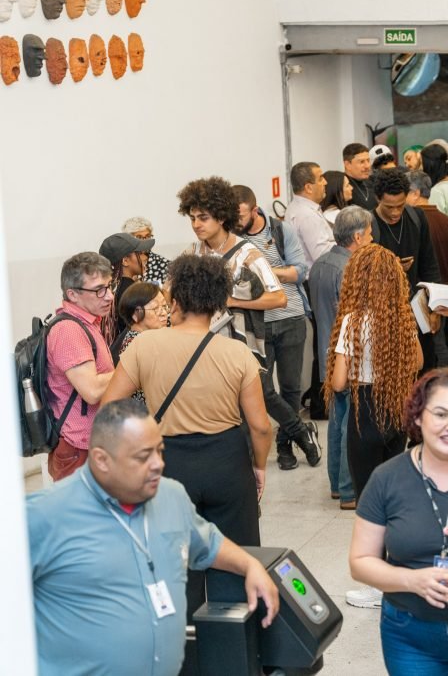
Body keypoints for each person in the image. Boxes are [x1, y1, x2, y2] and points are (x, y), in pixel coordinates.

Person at [27, 399, 280, 676]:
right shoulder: (45, 515)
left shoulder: (170, 495)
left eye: (160, 451)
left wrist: (250, 566)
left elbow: (207, 543)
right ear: (101, 460)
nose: (158, 464)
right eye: (143, 456)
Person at [102, 254, 271, 617]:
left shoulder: (144, 346)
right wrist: (258, 467)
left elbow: (110, 407)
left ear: (176, 299)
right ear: (219, 301)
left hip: (170, 463)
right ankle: (237, 651)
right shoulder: (237, 353)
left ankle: (183, 657)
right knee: (236, 558)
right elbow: (259, 425)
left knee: (176, 566)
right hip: (228, 462)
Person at [348, 368, 448, 674]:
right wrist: (412, 581)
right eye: (441, 414)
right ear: (418, 417)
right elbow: (360, 561)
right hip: (409, 635)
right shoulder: (387, 479)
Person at [178, 175, 319, 470]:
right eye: (192, 218)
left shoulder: (248, 254)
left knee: (262, 400)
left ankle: (291, 438)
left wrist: (233, 302)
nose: (196, 224)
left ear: (221, 216)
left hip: (245, 346)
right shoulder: (194, 254)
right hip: (209, 347)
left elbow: (279, 298)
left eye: (203, 217)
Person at [326, 243, 422, 506]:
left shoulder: (352, 321)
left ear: (356, 279)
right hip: (395, 411)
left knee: (369, 502)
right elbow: (418, 362)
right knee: (392, 496)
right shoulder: (403, 319)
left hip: (364, 416)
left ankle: (372, 548)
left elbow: (337, 383)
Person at [236, 184, 320, 470]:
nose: (236, 222)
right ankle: (301, 430)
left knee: (291, 387)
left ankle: (286, 447)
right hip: (255, 325)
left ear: (255, 209)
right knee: (259, 387)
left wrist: (263, 271)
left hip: (290, 316)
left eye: (241, 214)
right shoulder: (232, 240)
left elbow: (299, 270)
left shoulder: (281, 231)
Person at [310, 206, 374, 509]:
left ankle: (336, 485)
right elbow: (357, 318)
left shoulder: (320, 263)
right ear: (358, 237)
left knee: (336, 424)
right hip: (349, 354)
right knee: (352, 425)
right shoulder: (352, 269)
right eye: (370, 233)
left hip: (327, 350)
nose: (372, 239)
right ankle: (349, 492)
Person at [45, 252, 116, 480]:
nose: (109, 296)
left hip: (90, 446)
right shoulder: (69, 331)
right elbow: (92, 391)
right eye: (99, 290)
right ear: (72, 294)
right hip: (79, 450)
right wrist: (131, 368)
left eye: (109, 286)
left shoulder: (86, 322)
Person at [112, 281, 168, 397]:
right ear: (136, 314)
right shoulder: (138, 344)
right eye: (156, 309)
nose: (164, 313)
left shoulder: (144, 338)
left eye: (164, 306)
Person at [406, 169, 448, 286]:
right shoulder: (446, 220)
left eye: (404, 193)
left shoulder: (411, 221)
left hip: (421, 292)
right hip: (445, 290)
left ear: (415, 194)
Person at [98, 232, 154, 336]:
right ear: (125, 261)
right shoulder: (132, 292)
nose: (145, 257)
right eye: (140, 253)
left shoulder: (108, 289)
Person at [283, 161, 333, 270]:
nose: (325, 182)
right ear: (308, 188)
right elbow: (322, 256)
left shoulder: (295, 207)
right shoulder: (307, 215)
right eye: (320, 178)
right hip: (316, 280)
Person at [122, 216, 171, 286]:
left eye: (148, 236)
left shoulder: (164, 264)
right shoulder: (122, 263)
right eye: (139, 237)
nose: (145, 241)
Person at [343, 142, 377, 210]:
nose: (367, 166)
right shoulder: (342, 188)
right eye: (362, 162)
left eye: (368, 160)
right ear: (347, 165)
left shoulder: (372, 182)